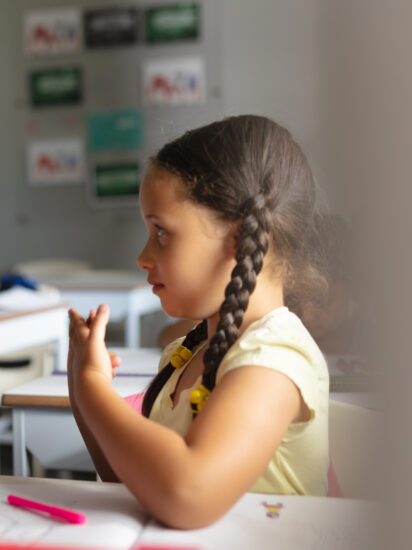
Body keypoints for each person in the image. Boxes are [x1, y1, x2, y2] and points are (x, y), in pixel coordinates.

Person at [66, 115, 330, 529]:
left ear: (239, 240)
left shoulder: (276, 358)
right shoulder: (185, 354)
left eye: (162, 233)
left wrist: (93, 390)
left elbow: (188, 494)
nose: (143, 256)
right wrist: (82, 389)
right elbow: (132, 480)